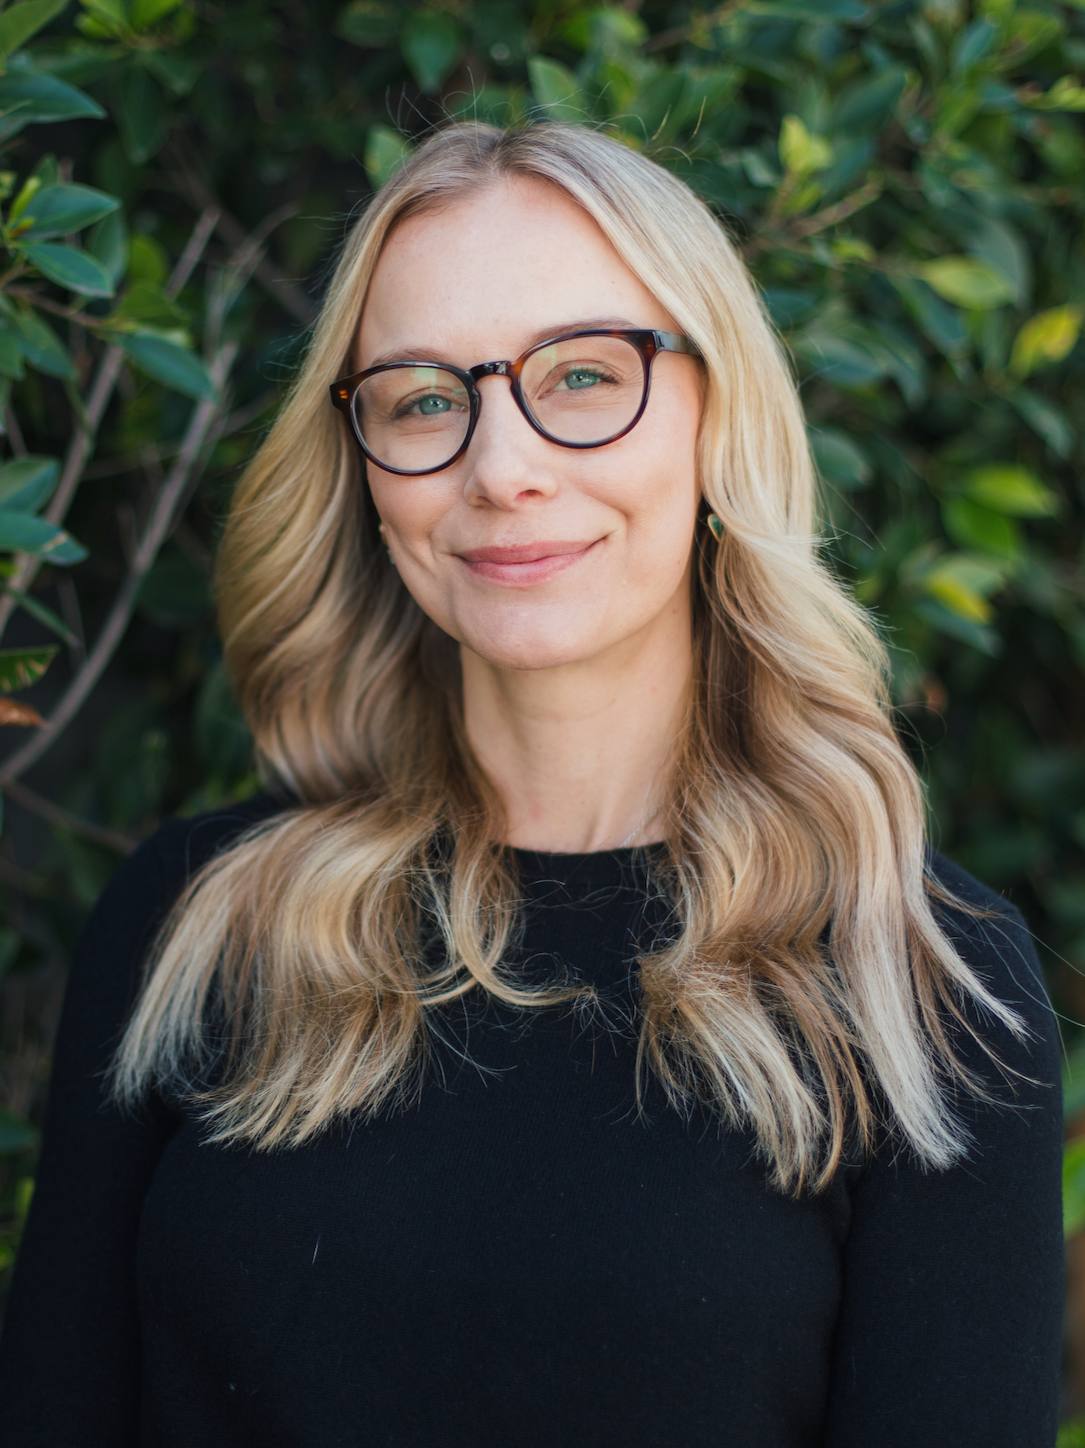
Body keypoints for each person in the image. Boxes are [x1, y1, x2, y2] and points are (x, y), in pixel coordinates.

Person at [0, 121, 1063, 1447]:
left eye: (581, 375)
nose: (502, 468)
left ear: (716, 416)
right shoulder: (195, 929)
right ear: (366, 472)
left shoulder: (924, 991)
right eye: (425, 398)